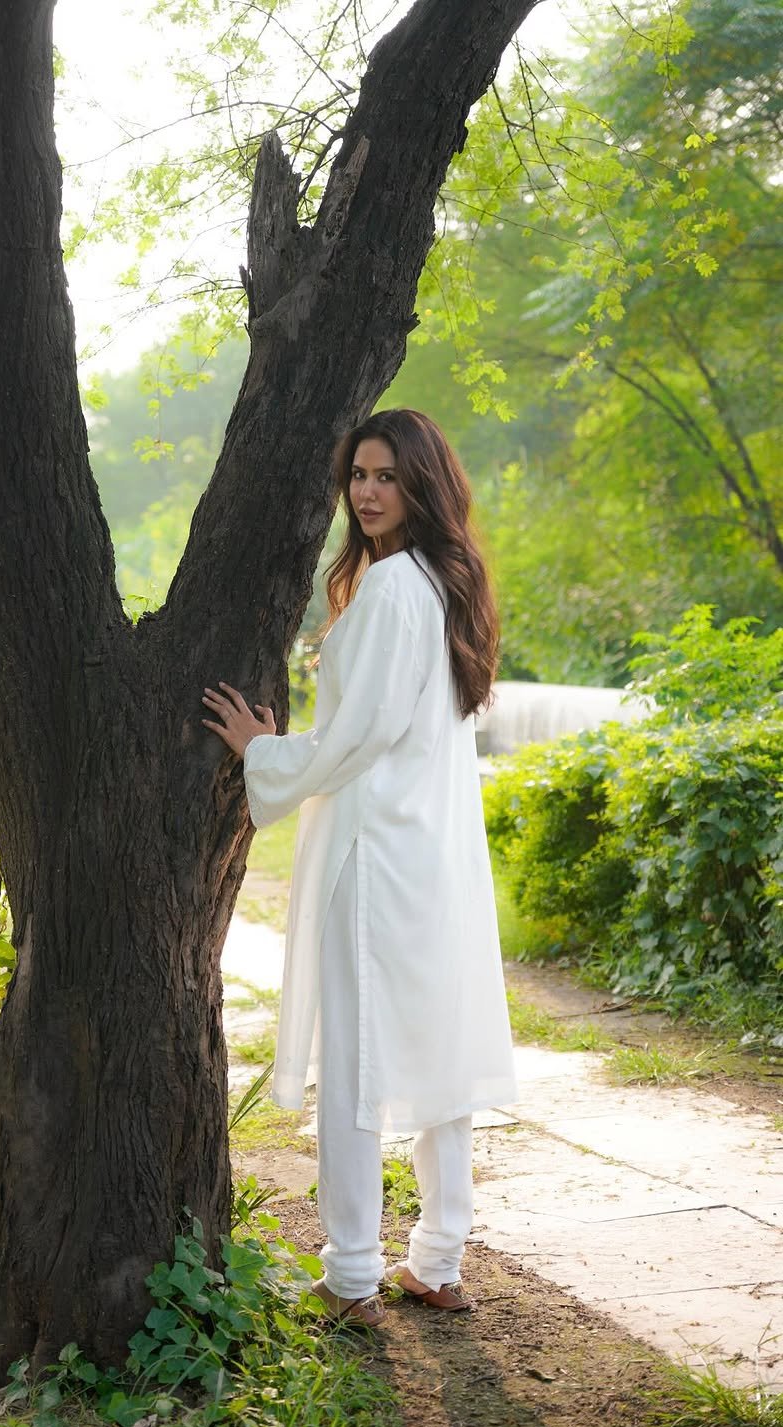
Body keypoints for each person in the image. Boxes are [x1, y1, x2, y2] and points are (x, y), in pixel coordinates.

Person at [201, 408, 518, 1327]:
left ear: (423, 483)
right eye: (360, 477)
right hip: (439, 859)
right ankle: (438, 1257)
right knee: (438, 1054)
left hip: (379, 857)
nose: (368, 492)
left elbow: (362, 733)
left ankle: (350, 1276)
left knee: (359, 1062)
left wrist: (267, 751)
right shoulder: (449, 584)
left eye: (386, 476)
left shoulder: (391, 591)